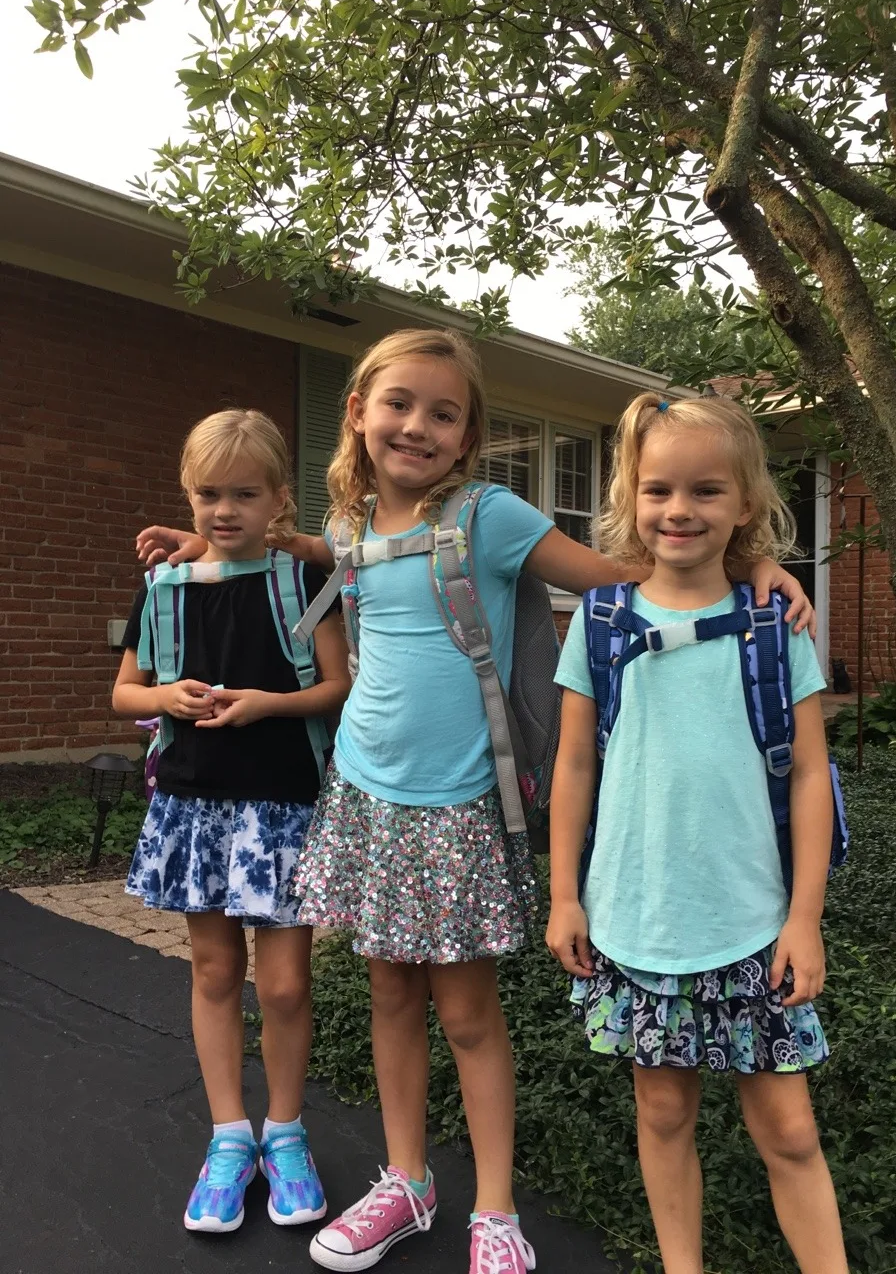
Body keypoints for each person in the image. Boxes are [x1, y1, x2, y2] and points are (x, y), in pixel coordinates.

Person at [135, 331, 815, 1274]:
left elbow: (623, 575)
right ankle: (406, 1180)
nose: (417, 425)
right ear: (359, 416)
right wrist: (202, 538)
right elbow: (318, 548)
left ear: (467, 436)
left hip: (457, 807)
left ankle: (495, 1208)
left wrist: (751, 571)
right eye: (399, 404)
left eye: (442, 413)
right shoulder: (351, 521)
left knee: (468, 1014)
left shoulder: (490, 516)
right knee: (386, 996)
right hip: (366, 799)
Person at [547, 393, 847, 1274]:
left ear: (745, 504)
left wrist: (805, 918)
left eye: (707, 491)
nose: (680, 510)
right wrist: (565, 895)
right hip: (638, 925)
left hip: (755, 923)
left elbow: (809, 781)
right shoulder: (598, 628)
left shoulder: (775, 628)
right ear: (632, 499)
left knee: (790, 1129)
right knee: (664, 1113)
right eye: (659, 490)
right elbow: (572, 769)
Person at [114, 409, 351, 1237]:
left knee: (283, 983)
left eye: (244, 494)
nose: (224, 510)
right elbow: (125, 691)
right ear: (189, 495)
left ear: (279, 499)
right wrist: (162, 698)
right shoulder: (164, 589)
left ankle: (285, 1132)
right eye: (209, 494)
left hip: (283, 806)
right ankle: (228, 1138)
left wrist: (269, 706)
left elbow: (337, 686)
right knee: (215, 974)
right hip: (192, 806)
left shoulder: (302, 582)